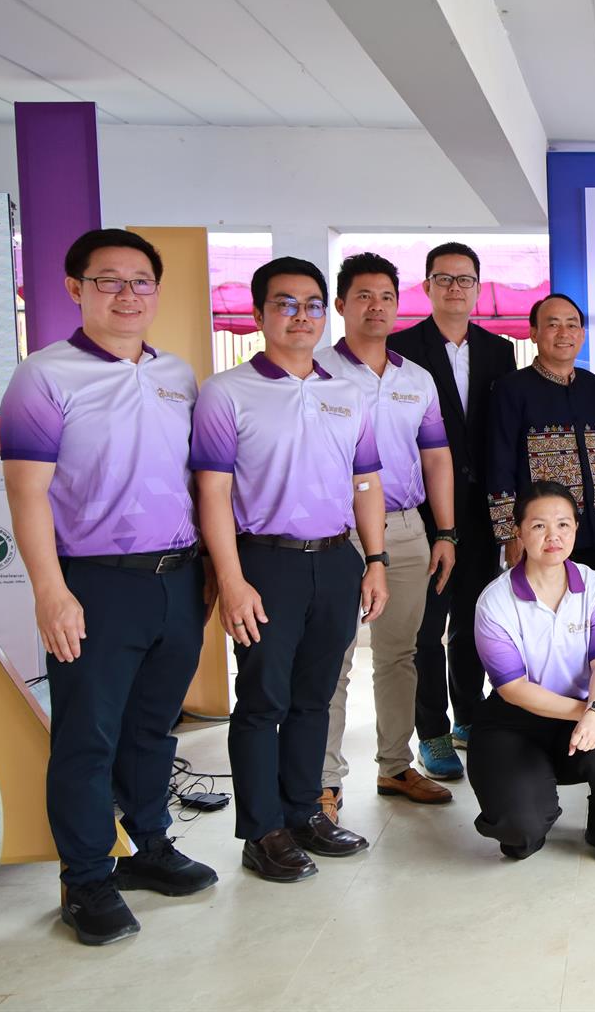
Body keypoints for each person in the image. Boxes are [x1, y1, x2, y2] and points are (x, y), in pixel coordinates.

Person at [1, 229, 216, 945]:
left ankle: (148, 845)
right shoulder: (44, 376)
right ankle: (87, 878)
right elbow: (27, 492)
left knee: (153, 726)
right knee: (87, 737)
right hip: (94, 583)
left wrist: (209, 575)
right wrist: (50, 590)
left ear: (157, 290)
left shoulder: (177, 374)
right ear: (76, 288)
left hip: (177, 578)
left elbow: (194, 480)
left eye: (140, 281)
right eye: (108, 281)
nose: (127, 295)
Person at [192, 257, 389, 881]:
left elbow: (366, 482)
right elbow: (213, 492)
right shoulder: (226, 393)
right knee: (262, 700)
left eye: (311, 305)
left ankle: (304, 812)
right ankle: (262, 830)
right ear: (259, 314)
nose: (300, 316)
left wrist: (375, 560)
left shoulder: (347, 392)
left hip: (336, 560)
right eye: (285, 304)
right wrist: (231, 580)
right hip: (263, 563)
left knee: (315, 697)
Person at [319, 253, 457, 819]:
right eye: (363, 296)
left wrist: (445, 532)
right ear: (341, 304)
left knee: (401, 653)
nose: (375, 307)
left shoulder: (415, 378)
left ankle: (395, 766)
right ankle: (323, 782)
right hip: (335, 531)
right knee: (332, 659)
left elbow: (437, 456)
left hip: (404, 527)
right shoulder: (317, 371)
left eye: (385, 297)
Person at [387, 242, 517, 782]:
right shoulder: (400, 347)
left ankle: (468, 716)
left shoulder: (500, 350)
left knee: (471, 621)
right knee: (425, 627)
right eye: (444, 279)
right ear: (427, 287)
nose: (455, 288)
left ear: (478, 287)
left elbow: (504, 432)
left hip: (483, 512)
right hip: (422, 509)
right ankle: (432, 732)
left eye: (465, 279)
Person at [468, 482, 595, 864]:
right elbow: (513, 688)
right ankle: (535, 803)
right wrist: (591, 712)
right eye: (539, 526)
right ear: (518, 531)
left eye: (563, 524)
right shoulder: (495, 602)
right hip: (513, 722)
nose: (553, 536)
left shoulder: (594, 586)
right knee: (520, 834)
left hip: (577, 716)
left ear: (576, 528)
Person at [486, 292, 595, 574]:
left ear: (582, 335)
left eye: (572, 325)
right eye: (553, 324)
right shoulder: (511, 389)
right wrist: (509, 533)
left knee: (591, 600)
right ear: (533, 333)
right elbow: (499, 464)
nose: (564, 333)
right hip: (541, 536)